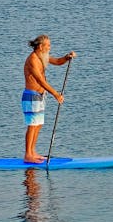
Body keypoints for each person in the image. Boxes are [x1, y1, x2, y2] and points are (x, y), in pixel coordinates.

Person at [22, 34, 76, 163]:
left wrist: (67, 58)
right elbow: (40, 80)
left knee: (38, 124)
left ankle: (33, 152)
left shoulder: (42, 57)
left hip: (40, 96)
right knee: (32, 124)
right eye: (48, 45)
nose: (50, 48)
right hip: (31, 96)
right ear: (41, 47)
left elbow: (57, 61)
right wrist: (55, 94)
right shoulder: (33, 60)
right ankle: (28, 154)